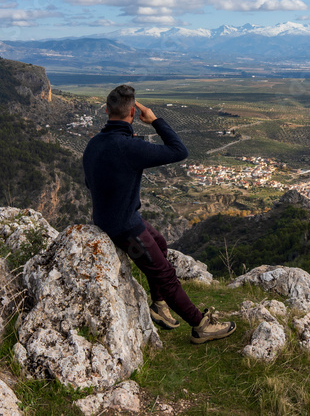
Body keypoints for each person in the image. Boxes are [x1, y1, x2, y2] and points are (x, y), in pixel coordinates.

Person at [82, 84, 236, 344]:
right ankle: (200, 325)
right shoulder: (130, 147)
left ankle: (159, 306)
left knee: (161, 243)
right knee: (165, 274)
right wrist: (155, 121)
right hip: (125, 228)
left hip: (111, 218)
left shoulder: (93, 144)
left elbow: (90, 183)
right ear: (133, 114)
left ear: (107, 110)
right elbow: (179, 151)